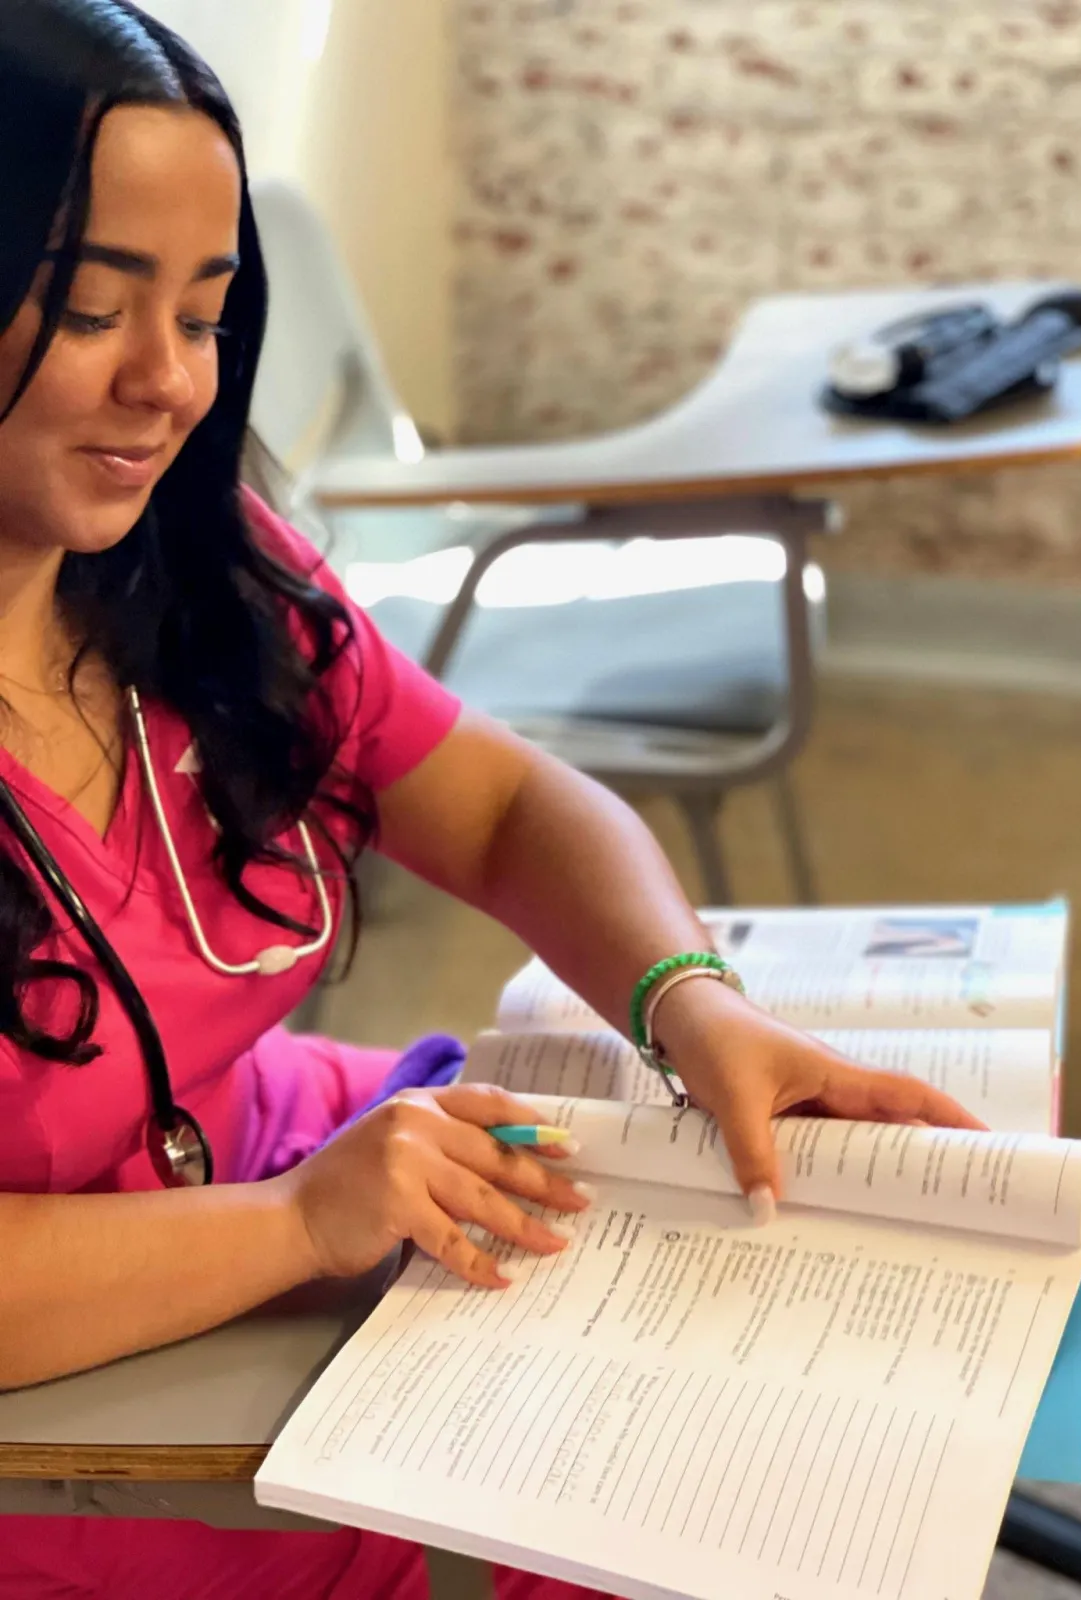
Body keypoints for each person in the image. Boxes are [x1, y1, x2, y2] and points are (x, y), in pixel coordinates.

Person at [0, 4, 984, 1596]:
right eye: (95, 309)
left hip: (305, 1167)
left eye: (206, 313)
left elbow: (507, 804)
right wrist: (297, 1224)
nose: (167, 382)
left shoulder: (201, 580)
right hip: (88, 1401)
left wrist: (689, 1002)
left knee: (791, 1378)